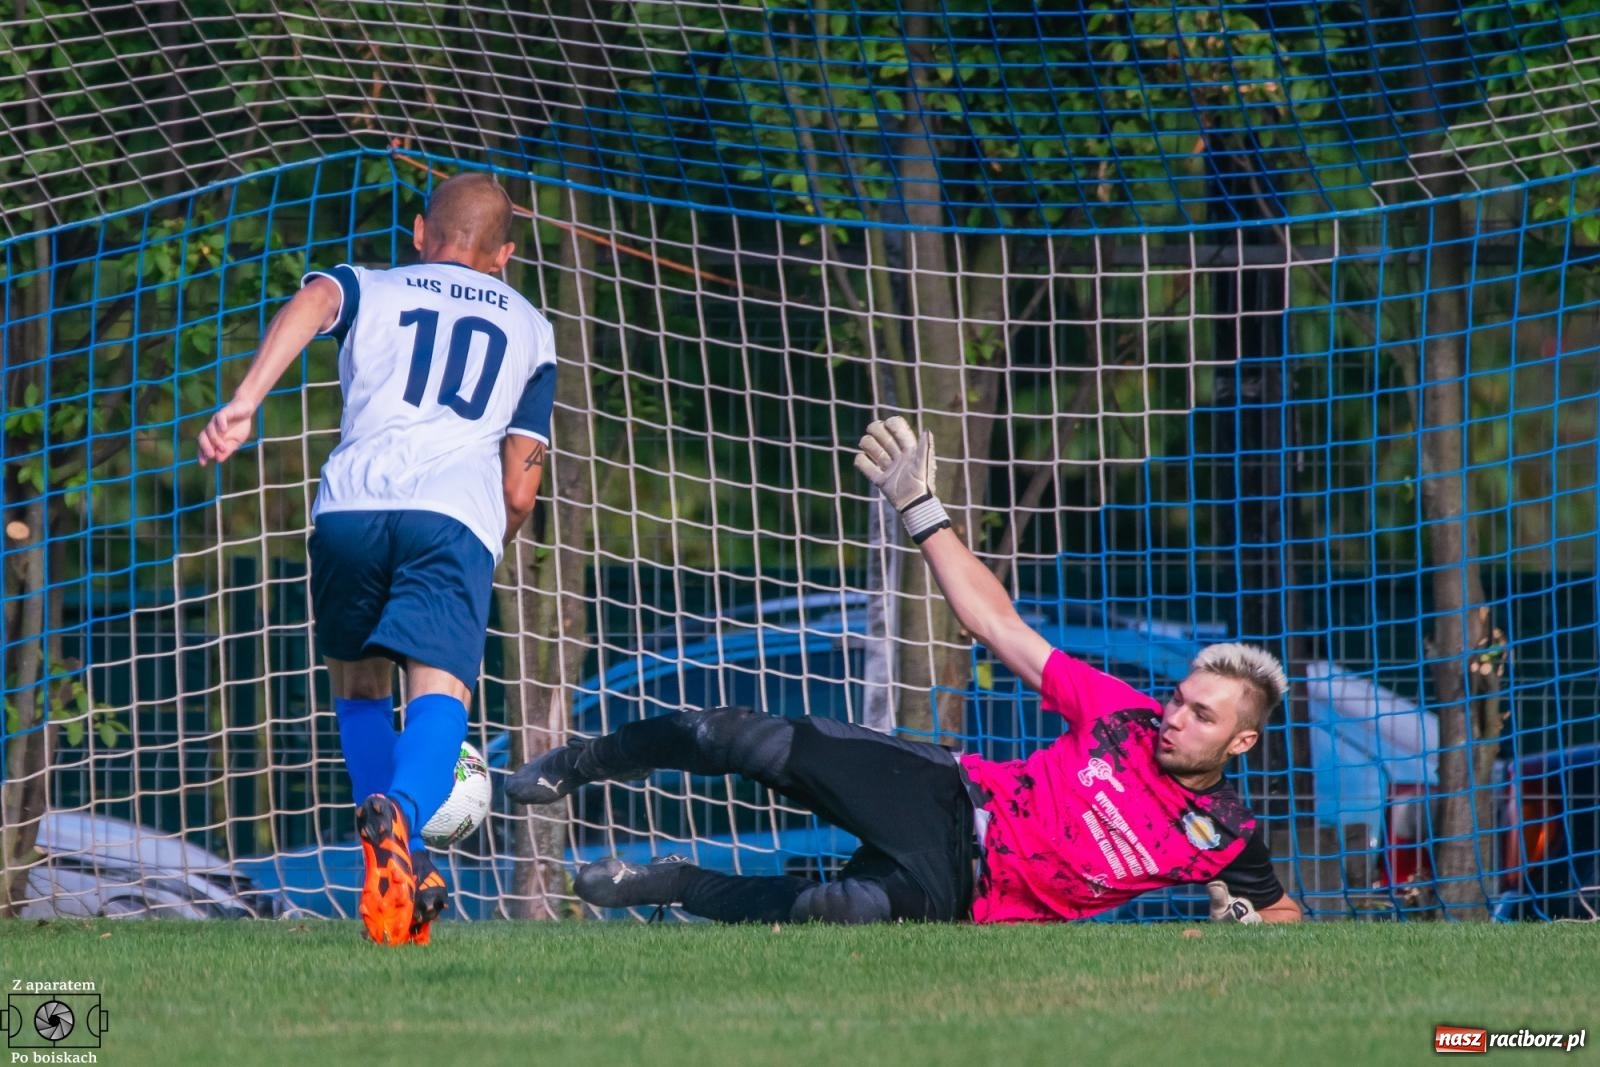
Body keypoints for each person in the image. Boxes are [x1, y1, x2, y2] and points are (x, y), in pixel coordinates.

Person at [507, 417, 1302, 926]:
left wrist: (1240, 928)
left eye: (1202, 715)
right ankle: (576, 763)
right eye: (1180, 698)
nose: (1174, 715)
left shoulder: (1225, 835)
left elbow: (1285, 918)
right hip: (949, 796)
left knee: (836, 910)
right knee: (742, 738)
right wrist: (920, 507)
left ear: (1239, 743)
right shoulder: (1121, 714)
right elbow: (996, 623)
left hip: (964, 895)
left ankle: (676, 884)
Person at [198, 173, 556, 945]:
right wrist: (493, 540)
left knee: (360, 687)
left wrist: (246, 400)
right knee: (442, 687)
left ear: (422, 232)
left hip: (351, 508)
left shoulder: (374, 282)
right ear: (505, 255)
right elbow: (520, 487)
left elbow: (318, 298)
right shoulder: (531, 328)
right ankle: (402, 817)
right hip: (450, 517)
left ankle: (400, 871)